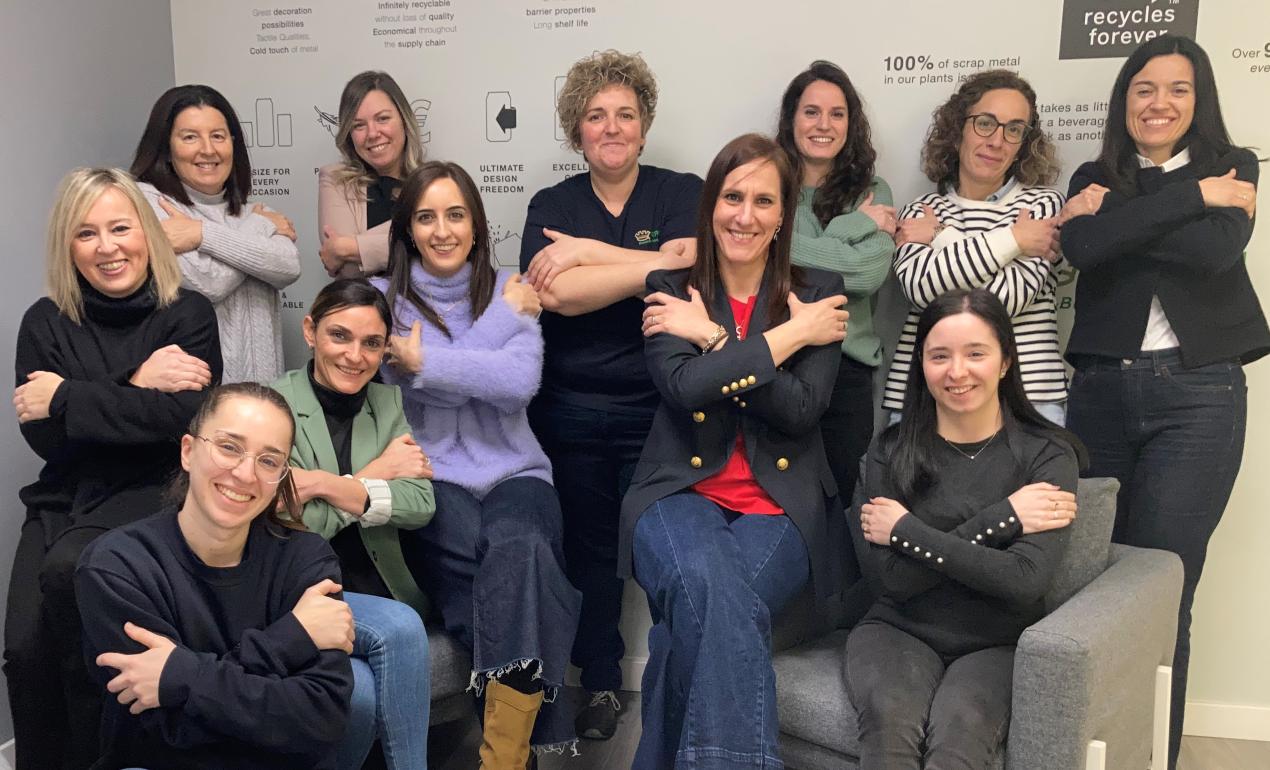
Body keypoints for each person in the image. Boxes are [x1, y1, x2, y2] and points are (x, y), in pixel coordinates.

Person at [1058, 34, 1266, 769]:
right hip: (1102, 393)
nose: (1159, 103)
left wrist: (1129, 218)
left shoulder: (1233, 168)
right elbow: (1082, 250)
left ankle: (1156, 756)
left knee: (1164, 581)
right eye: (1144, 88)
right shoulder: (1092, 173)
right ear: (1124, 100)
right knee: (1087, 576)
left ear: (1198, 99)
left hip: (1199, 398)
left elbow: (1213, 254)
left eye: (1177, 89)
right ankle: (1085, 746)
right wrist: (1189, 202)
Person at [622, 133, 850, 769]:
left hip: (779, 511)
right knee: (711, 593)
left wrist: (715, 344)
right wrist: (782, 342)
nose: (744, 216)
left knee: (687, 625)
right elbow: (681, 385)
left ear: (783, 215)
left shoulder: (819, 292)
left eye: (762, 201)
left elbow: (802, 410)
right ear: (710, 204)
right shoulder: (672, 285)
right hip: (676, 496)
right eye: (731, 197)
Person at [5, 167, 222, 770]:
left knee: (75, 594)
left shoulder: (189, 315)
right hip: (64, 496)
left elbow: (180, 422)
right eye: (87, 233)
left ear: (146, 232)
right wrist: (134, 383)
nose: (107, 247)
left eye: (120, 227)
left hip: (155, 489)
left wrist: (71, 397)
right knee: (25, 651)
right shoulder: (45, 320)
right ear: (66, 245)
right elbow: (47, 438)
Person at [519, 49, 702, 739]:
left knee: (664, 551)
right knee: (590, 555)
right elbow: (554, 295)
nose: (612, 127)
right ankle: (598, 684)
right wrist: (651, 266)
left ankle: (674, 692)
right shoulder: (551, 205)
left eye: (625, 114)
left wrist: (590, 255)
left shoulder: (680, 190)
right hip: (568, 410)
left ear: (645, 125)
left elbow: (692, 271)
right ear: (577, 132)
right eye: (596, 117)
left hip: (659, 405)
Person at [375, 160, 581, 766]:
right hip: (431, 476)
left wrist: (428, 365)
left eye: (456, 214)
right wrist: (503, 325)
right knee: (516, 572)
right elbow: (394, 373)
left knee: (521, 548)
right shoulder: (384, 301)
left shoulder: (509, 284)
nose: (443, 230)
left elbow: (517, 384)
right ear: (408, 228)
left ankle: (501, 754)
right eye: (426, 216)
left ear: (476, 224)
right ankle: (516, 750)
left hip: (517, 470)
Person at [849, 288, 1084, 769]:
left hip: (996, 640)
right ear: (922, 366)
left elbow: (1024, 582)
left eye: (975, 353)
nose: (957, 372)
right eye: (940, 356)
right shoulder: (889, 450)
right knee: (889, 719)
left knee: (961, 732)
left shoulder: (1048, 455)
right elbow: (891, 582)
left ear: (1004, 362)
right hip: (897, 630)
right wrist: (1004, 520)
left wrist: (906, 532)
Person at [75, 383, 355, 769]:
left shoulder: (307, 560)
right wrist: (289, 638)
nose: (245, 473)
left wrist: (182, 677)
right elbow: (170, 732)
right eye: (229, 447)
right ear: (188, 451)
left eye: (269, 460)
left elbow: (323, 717)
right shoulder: (117, 567)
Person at [271, 279, 435, 770]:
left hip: (376, 582)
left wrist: (323, 483)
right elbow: (293, 524)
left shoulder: (387, 404)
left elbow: (421, 503)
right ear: (310, 331)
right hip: (301, 587)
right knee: (397, 635)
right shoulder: (273, 406)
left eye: (371, 343)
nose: (355, 356)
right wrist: (374, 476)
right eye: (339, 336)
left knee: (360, 689)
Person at [885, 70, 1069, 425]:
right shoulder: (920, 212)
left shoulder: (1043, 207)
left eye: (1014, 129)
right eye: (985, 123)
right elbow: (922, 291)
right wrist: (1013, 241)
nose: (997, 141)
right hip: (928, 398)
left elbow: (1009, 298)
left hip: (1030, 397)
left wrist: (940, 237)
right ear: (958, 131)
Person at [777, 59, 895, 504]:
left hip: (848, 370)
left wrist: (794, 247)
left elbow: (865, 274)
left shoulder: (874, 189)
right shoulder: (771, 186)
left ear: (851, 123)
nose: (823, 124)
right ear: (791, 120)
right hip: (784, 360)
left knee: (839, 502)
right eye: (811, 111)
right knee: (784, 501)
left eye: (837, 113)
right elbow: (781, 267)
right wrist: (854, 227)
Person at [131, 84, 301, 384]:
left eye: (218, 136)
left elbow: (288, 266)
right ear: (166, 148)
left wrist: (200, 233)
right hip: (197, 405)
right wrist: (261, 228)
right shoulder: (147, 203)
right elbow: (207, 281)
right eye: (190, 137)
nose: (207, 149)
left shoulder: (253, 213)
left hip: (265, 400)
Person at [319, 70, 426, 278]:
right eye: (359, 125)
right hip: (365, 309)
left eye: (383, 118)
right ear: (349, 134)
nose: (373, 133)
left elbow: (444, 250)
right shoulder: (334, 179)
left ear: (404, 120)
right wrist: (416, 239)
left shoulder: (432, 183)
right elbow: (346, 269)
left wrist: (346, 247)